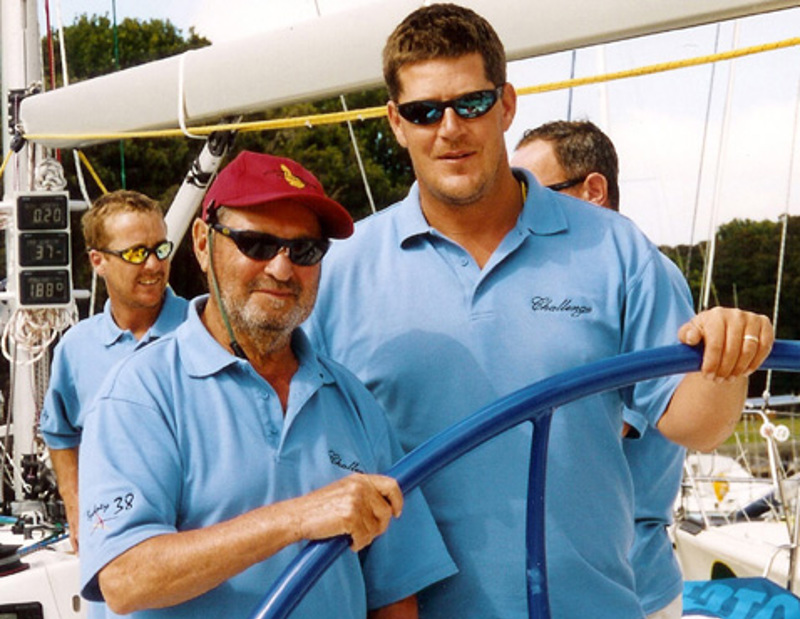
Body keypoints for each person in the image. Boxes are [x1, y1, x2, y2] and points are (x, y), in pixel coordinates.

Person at [304, 4, 773, 618]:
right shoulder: (340, 270)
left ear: (506, 104)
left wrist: (726, 354)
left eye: (470, 103)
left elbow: (698, 427)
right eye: (424, 111)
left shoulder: (615, 247)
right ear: (396, 123)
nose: (449, 128)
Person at [77, 151, 456, 619]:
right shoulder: (139, 394)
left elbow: (395, 591)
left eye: (305, 251)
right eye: (256, 244)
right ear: (201, 243)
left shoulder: (353, 401)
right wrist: (297, 518)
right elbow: (124, 579)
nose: (281, 269)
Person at [511, 119, 687, 619]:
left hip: (623, 586)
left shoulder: (650, 276)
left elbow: (608, 417)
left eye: (531, 194)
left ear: (592, 190)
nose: (515, 210)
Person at [40, 189, 188, 554]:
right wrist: (75, 507)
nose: (154, 265)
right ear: (97, 261)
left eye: (160, 249)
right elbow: (59, 433)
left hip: (197, 542)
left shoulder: (205, 331)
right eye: (137, 253)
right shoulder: (76, 348)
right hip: (114, 552)